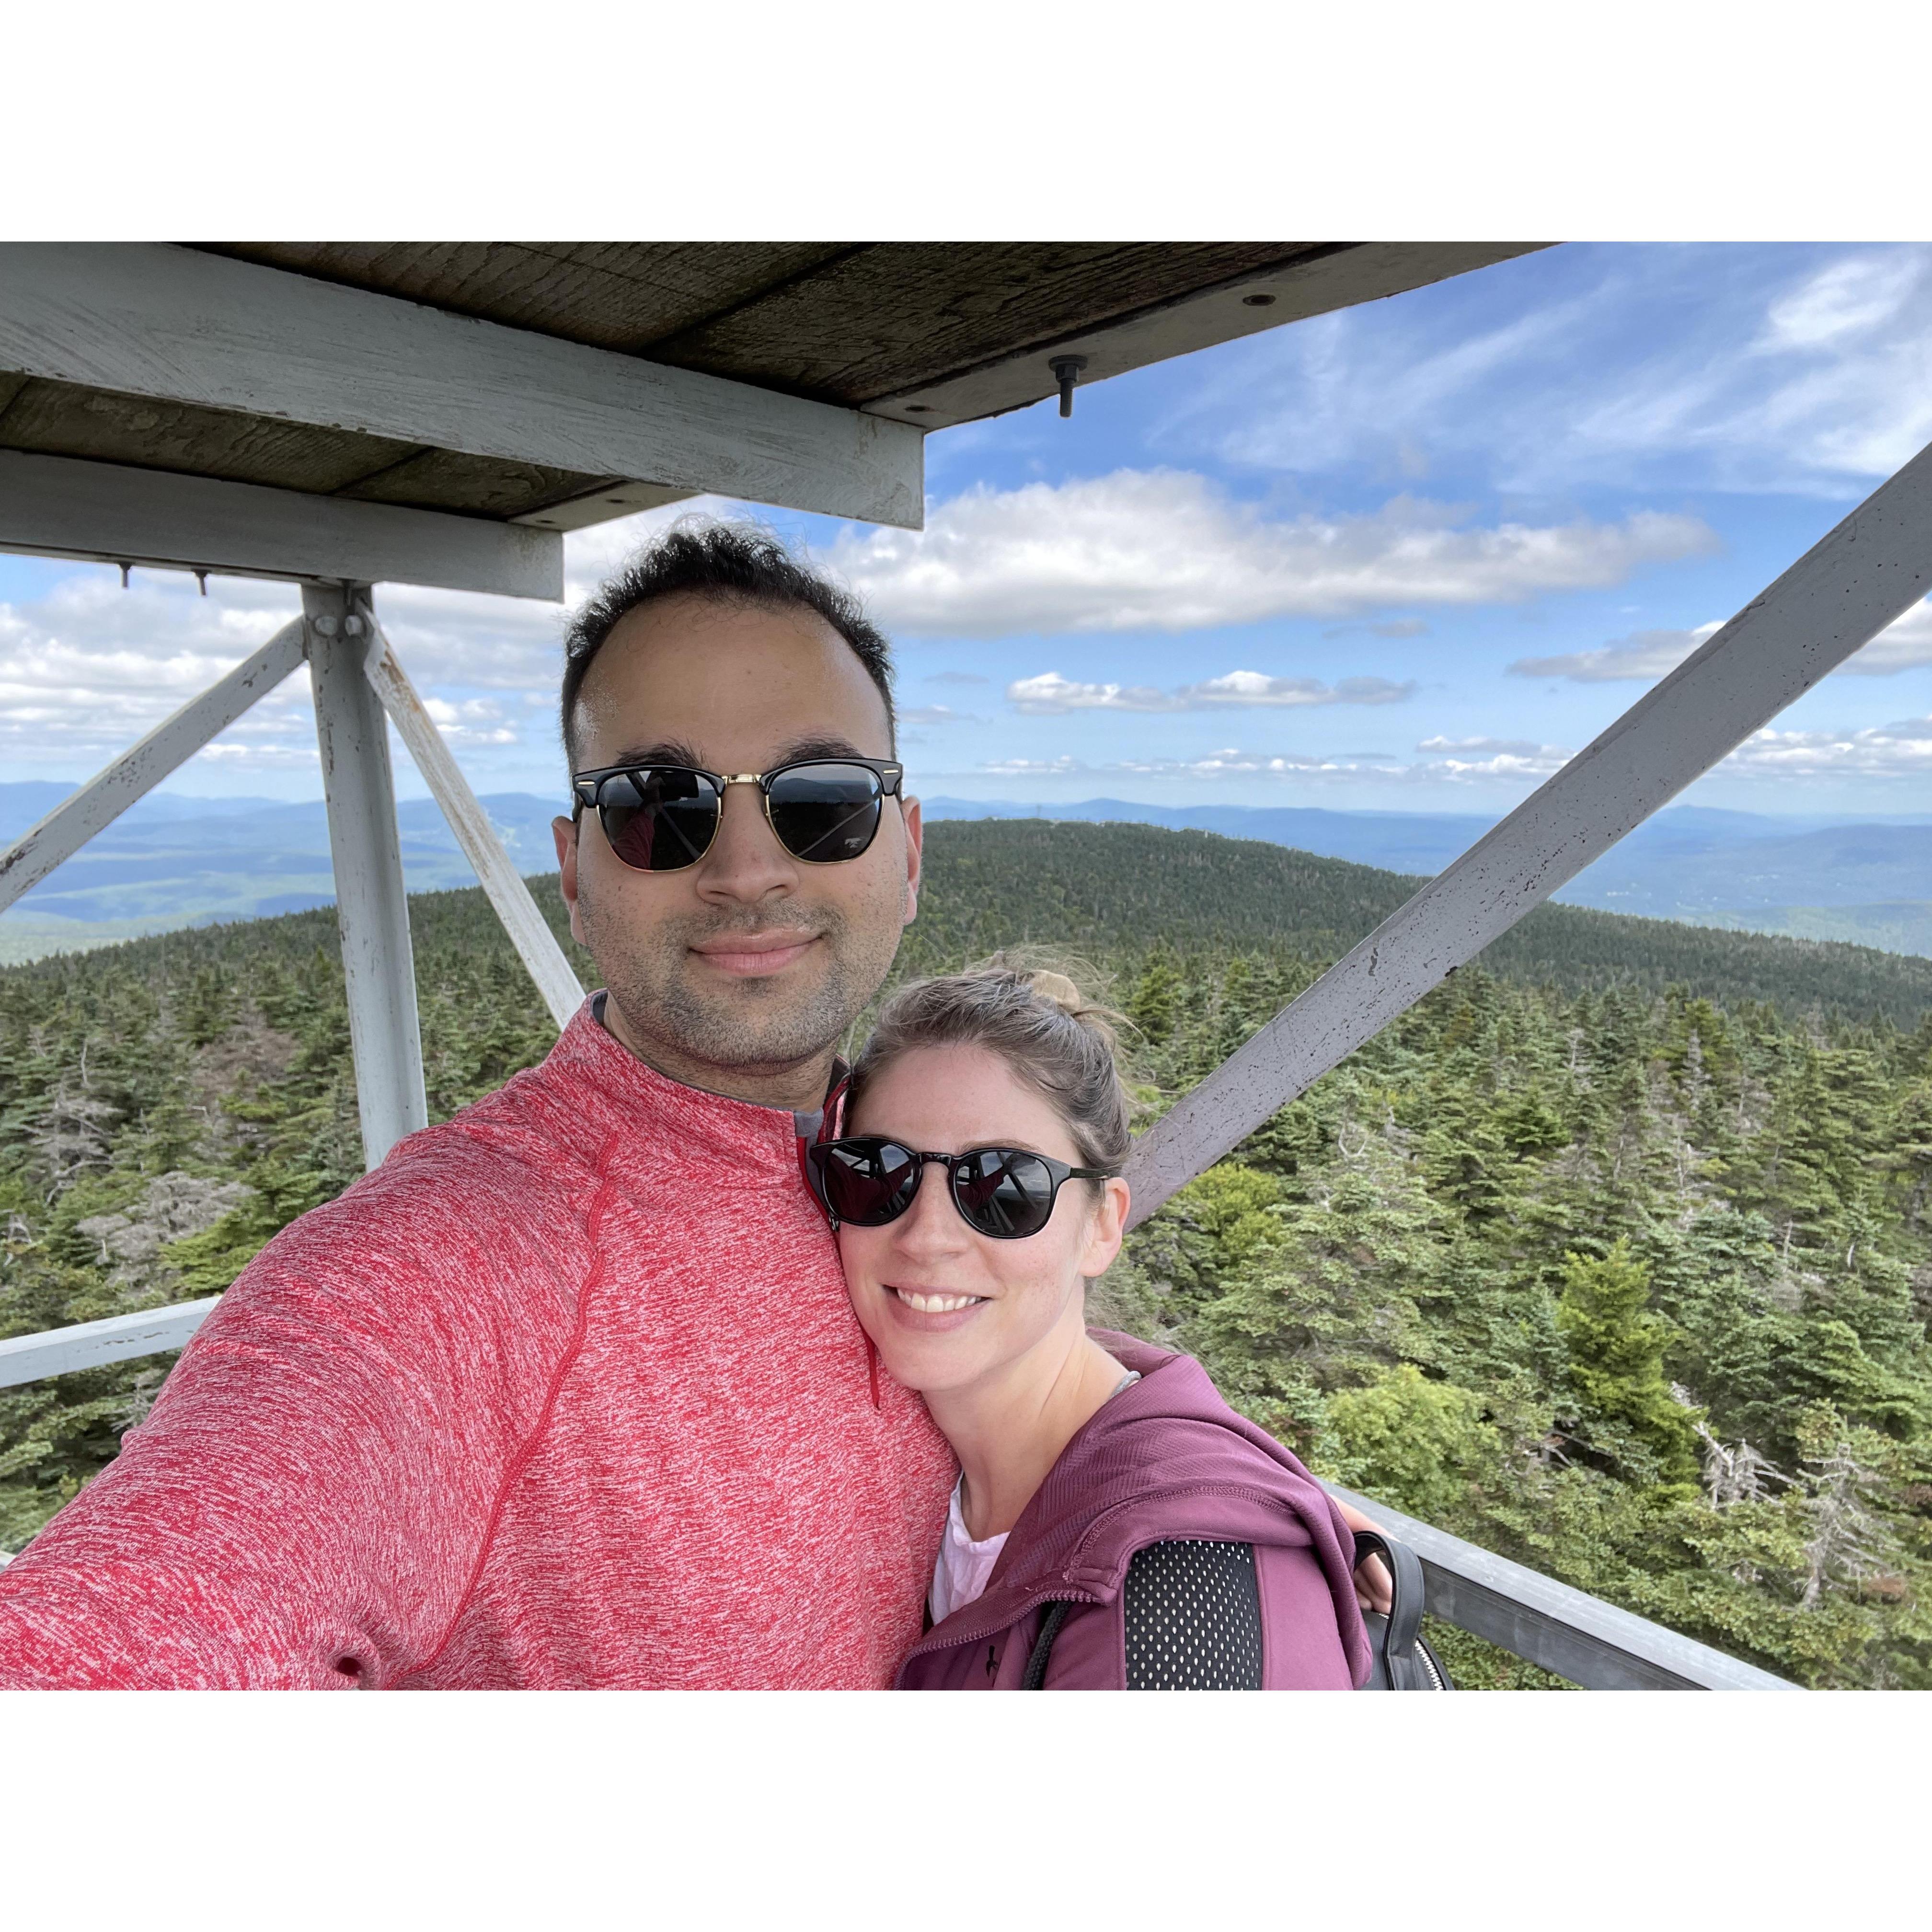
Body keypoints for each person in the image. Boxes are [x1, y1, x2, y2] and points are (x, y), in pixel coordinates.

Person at [0, 525, 955, 1688]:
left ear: (905, 852)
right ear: (576, 867)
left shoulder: (941, 1171)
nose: (749, 867)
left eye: (824, 800)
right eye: (662, 806)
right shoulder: (442, 1274)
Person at [807, 966, 1372, 1689]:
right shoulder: (933, 1443)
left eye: (1003, 1186)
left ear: (1102, 1226)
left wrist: (1244, 1499)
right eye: (878, 1173)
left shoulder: (1185, 1590)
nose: (926, 1238)